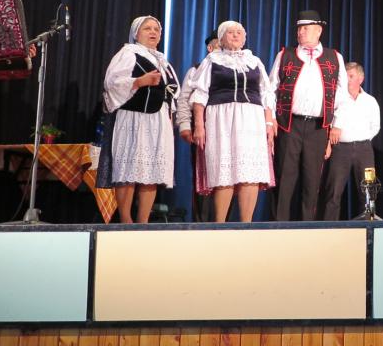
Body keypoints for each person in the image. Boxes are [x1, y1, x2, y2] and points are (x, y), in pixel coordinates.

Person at [190, 21, 276, 222]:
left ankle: (247, 225)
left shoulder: (254, 61)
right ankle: (220, 225)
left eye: (239, 32)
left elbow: (266, 94)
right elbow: (200, 94)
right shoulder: (212, 60)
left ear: (245, 38)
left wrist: (269, 124)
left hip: (252, 119)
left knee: (250, 171)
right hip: (222, 118)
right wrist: (199, 125)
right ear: (221, 38)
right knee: (225, 170)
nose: (236, 35)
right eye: (231, 32)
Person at [98, 16, 179, 223]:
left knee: (151, 170)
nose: (153, 32)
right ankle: (126, 221)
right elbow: (112, 83)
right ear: (136, 33)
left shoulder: (162, 60)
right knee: (128, 169)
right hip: (134, 117)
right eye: (147, 29)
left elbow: (171, 92)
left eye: (156, 29)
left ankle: (143, 223)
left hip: (158, 119)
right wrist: (139, 81)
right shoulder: (128, 53)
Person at [270, 10, 348, 220]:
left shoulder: (334, 57)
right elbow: (271, 88)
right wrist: (271, 119)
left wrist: (337, 124)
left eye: (305, 28)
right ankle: (279, 226)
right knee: (284, 178)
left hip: (318, 127)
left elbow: (341, 93)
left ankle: (308, 226)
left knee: (312, 180)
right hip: (289, 124)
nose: (300, 32)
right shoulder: (285, 55)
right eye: (299, 29)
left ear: (318, 31)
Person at [320, 61, 381, 219]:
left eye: (351, 76)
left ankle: (369, 224)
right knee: (334, 190)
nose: (347, 80)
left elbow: (375, 126)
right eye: (345, 76)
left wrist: (361, 138)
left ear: (361, 79)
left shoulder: (370, 101)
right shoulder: (335, 99)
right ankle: (329, 227)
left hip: (364, 150)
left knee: (368, 189)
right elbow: (328, 123)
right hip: (340, 149)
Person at [175, 33, 219, 221]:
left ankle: (223, 223)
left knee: (226, 178)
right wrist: (185, 125)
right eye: (220, 44)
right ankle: (202, 223)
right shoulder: (196, 70)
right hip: (202, 132)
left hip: (226, 131)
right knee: (203, 177)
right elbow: (184, 99)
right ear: (210, 48)